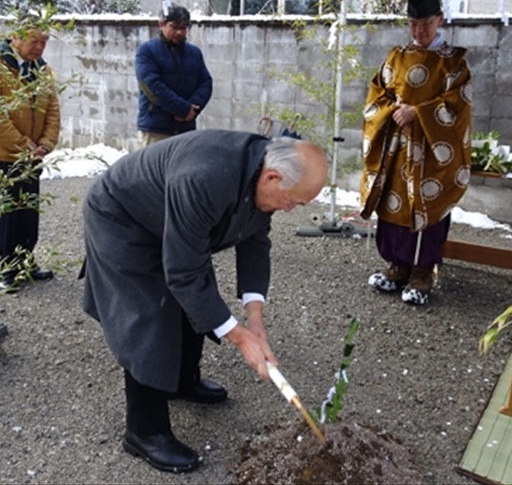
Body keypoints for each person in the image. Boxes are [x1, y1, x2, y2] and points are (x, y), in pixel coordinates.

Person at [81, 130, 328, 473]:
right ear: (273, 178)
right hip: (123, 217)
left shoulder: (261, 172)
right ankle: (144, 431)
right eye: (293, 202)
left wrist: (255, 321)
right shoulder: (205, 176)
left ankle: (182, 381)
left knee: (195, 298)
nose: (289, 209)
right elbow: (183, 273)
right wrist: (240, 338)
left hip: (167, 218)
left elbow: (255, 243)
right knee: (150, 313)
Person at [359, 0, 472, 306]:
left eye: (426, 24)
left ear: (440, 20)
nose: (419, 31)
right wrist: (393, 111)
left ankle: (423, 272)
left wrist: (418, 113)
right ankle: (397, 266)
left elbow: (458, 106)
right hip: (396, 147)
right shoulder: (396, 56)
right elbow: (377, 94)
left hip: (432, 152)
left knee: (426, 204)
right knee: (393, 203)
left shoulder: (454, 62)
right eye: (413, 24)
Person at [0, 15, 61, 292]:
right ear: (16, 37)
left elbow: (52, 109)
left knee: (28, 212)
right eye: (34, 41)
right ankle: (4, 267)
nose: (39, 47)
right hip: (0, 154)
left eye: (44, 42)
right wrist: (24, 146)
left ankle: (25, 260)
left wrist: (46, 143)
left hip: (31, 156)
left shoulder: (41, 70)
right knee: (3, 214)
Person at [135, 4, 213, 146]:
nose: (179, 32)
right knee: (154, 162)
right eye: (174, 27)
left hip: (186, 130)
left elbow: (205, 83)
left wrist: (192, 109)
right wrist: (182, 109)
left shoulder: (194, 53)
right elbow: (151, 86)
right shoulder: (146, 51)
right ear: (161, 25)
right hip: (156, 129)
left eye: (183, 28)